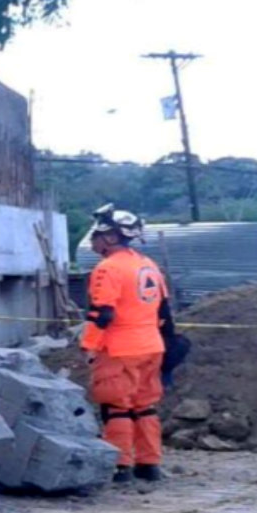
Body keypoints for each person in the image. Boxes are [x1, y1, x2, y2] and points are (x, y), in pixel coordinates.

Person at [81, 203, 175, 484]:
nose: (93, 240)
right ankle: (149, 464)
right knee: (145, 406)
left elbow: (102, 314)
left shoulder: (107, 268)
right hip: (151, 345)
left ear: (111, 237)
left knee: (116, 407)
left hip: (120, 348)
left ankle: (120, 466)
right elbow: (164, 311)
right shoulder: (148, 265)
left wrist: (89, 346)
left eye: (98, 234)